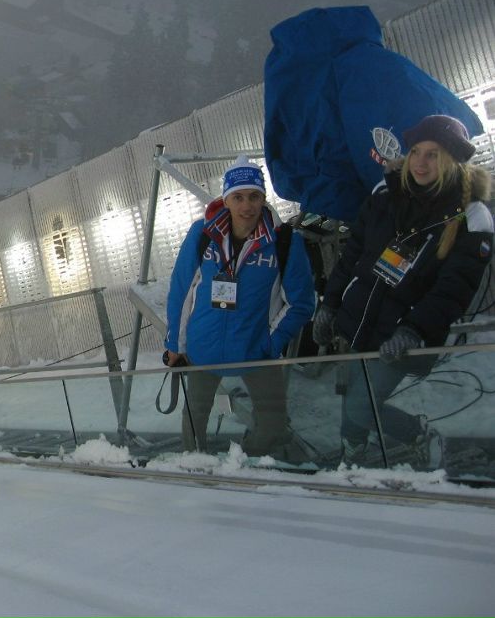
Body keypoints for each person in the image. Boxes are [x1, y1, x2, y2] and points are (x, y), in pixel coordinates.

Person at [311, 114, 493, 467]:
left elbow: (454, 289)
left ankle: (370, 453)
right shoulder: (384, 195)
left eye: (433, 154)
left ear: (452, 160)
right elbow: (352, 257)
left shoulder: (472, 217)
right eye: (416, 152)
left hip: (402, 333)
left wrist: (414, 330)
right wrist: (330, 305)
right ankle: (379, 446)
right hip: (357, 321)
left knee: (361, 405)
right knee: (355, 400)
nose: (421, 163)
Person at [164, 156, 316, 456]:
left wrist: (271, 342)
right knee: (193, 427)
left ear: (263, 198)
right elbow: (181, 292)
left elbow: (301, 302)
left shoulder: (284, 241)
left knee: (273, 426)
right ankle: (198, 474)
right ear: (227, 200)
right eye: (238, 197)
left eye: (254, 196)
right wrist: (175, 343)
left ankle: (246, 462)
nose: (247, 205)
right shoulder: (202, 236)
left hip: (254, 349)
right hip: (203, 347)